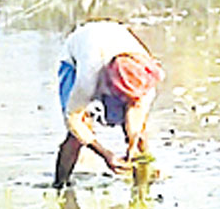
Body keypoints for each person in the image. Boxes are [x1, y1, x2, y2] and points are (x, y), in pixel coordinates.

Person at [53, 20, 164, 188]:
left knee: (140, 134)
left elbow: (136, 110)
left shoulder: (145, 75)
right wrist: (105, 154)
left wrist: (132, 143)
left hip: (111, 41)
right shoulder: (88, 76)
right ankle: (60, 186)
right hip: (77, 57)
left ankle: (141, 190)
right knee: (76, 136)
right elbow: (73, 119)